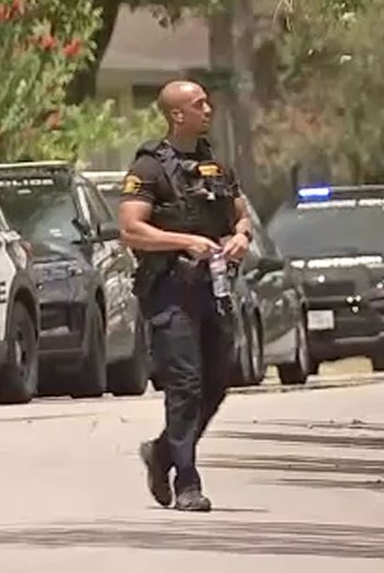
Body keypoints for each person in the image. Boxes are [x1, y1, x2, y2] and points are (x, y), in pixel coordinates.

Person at [117, 80, 252, 512]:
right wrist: (183, 242)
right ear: (177, 115)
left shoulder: (216, 166)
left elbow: (241, 215)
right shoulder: (150, 168)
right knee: (186, 386)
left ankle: (161, 454)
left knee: (217, 383)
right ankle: (187, 482)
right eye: (199, 105)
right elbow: (131, 228)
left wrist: (241, 238)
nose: (208, 109)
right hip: (170, 290)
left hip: (213, 289)